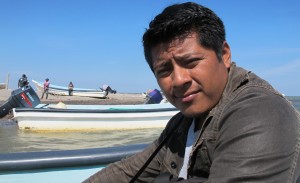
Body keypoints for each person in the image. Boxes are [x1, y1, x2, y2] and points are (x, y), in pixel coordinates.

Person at [84, 2, 300, 182]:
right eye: (164, 70)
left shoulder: (260, 113)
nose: (178, 80)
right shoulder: (181, 122)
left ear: (224, 54)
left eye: (191, 62)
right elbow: (129, 170)